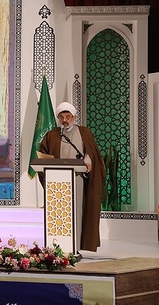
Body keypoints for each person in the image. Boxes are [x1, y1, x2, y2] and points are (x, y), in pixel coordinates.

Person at [39, 102, 106, 252]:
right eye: (61, 117)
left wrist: (88, 160)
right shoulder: (51, 135)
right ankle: (59, 246)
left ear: (74, 117)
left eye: (68, 117)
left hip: (78, 179)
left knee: (77, 212)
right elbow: (43, 155)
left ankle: (75, 247)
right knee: (61, 215)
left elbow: (92, 152)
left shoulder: (84, 132)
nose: (65, 120)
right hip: (58, 183)